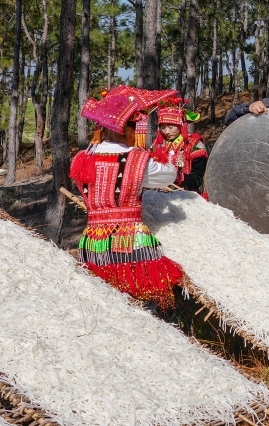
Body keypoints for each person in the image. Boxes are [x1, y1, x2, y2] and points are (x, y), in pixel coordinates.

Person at [71, 85, 184, 310]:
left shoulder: (81, 158)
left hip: (93, 244)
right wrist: (171, 157)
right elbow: (167, 176)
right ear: (128, 130)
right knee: (143, 303)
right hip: (131, 244)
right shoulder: (136, 160)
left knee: (103, 305)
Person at [152, 102, 209, 194]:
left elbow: (197, 178)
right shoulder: (157, 144)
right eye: (163, 127)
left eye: (170, 127)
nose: (166, 132)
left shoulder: (194, 143)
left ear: (181, 124)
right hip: (160, 195)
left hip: (188, 195)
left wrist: (177, 177)